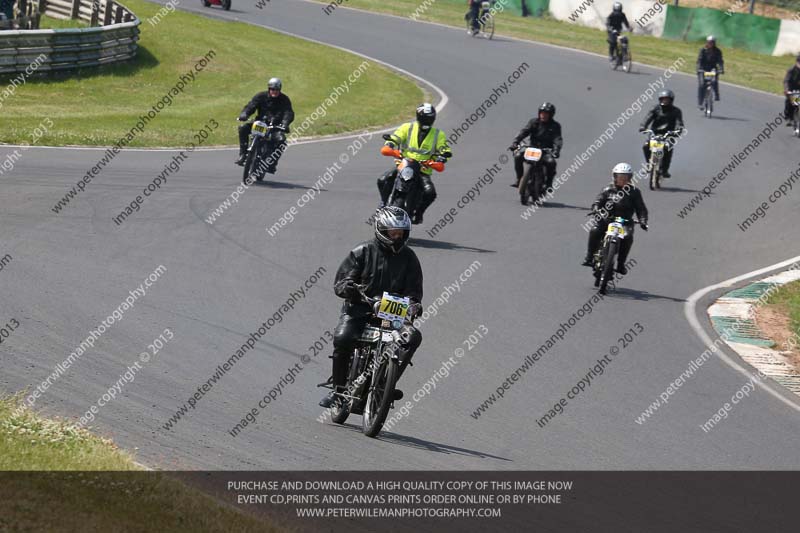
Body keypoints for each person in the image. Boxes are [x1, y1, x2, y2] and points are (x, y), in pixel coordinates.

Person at [319, 206, 424, 408]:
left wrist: (414, 304)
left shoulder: (410, 258)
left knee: (413, 337)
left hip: (394, 313)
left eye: (401, 232)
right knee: (343, 338)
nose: (397, 236)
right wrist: (350, 288)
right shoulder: (362, 251)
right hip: (359, 309)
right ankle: (338, 390)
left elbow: (414, 290)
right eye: (393, 232)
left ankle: (387, 384)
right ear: (381, 231)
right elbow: (341, 283)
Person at [377, 103, 452, 224]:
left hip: (423, 170)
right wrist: (390, 145)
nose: (427, 121)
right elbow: (395, 138)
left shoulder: (439, 135)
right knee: (383, 180)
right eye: (424, 118)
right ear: (418, 117)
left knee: (430, 193)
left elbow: (445, 149)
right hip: (404, 165)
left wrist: (442, 157)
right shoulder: (407, 127)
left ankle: (419, 213)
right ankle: (383, 203)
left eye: (429, 118)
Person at [581, 163, 648, 274]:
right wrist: (596, 209)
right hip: (606, 219)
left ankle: (621, 264)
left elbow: (641, 209)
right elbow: (598, 201)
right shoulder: (607, 189)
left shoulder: (635, 192)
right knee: (594, 230)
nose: (622, 179)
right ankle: (589, 257)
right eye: (620, 177)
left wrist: (643, 221)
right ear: (614, 177)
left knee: (627, 237)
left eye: (625, 177)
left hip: (624, 222)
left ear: (630, 178)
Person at [235, 77, 294, 171]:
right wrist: (244, 114)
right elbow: (251, 106)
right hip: (260, 123)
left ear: (280, 89)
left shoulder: (284, 99)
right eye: (272, 89)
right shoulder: (260, 96)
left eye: (276, 90)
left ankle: (272, 163)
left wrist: (285, 123)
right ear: (269, 89)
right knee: (243, 128)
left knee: (281, 140)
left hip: (275, 127)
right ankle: (243, 155)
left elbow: (288, 112)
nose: (274, 91)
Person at [509, 102, 562, 189]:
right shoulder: (534, 122)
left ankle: (549, 184)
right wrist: (516, 142)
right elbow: (524, 131)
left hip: (545, 151)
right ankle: (519, 179)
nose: (543, 115)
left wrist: (556, 150)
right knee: (518, 156)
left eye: (546, 114)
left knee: (551, 163)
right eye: (542, 113)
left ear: (551, 115)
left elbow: (557, 139)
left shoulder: (555, 126)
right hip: (532, 149)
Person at [638, 89, 683, 179]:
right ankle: (648, 164)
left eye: (667, 99)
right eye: (663, 99)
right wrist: (643, 126)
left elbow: (679, 123)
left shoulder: (676, 111)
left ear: (671, 100)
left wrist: (678, 130)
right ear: (660, 99)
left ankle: (665, 170)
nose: (665, 101)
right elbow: (647, 118)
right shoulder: (655, 109)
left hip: (669, 135)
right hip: (655, 134)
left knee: (667, 148)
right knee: (646, 146)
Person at [696, 36, 724, 108]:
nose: (710, 44)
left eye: (712, 42)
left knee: (714, 81)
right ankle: (700, 103)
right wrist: (699, 68)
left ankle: (716, 95)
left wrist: (721, 69)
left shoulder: (718, 51)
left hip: (712, 69)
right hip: (703, 69)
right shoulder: (703, 50)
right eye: (709, 42)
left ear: (714, 43)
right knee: (702, 85)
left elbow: (720, 61)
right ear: (707, 42)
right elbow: (699, 60)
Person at [783, 54, 800, 123]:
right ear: (797, 62)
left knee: (796, 104)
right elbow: (786, 80)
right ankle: (788, 116)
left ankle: (795, 117)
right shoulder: (791, 70)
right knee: (789, 102)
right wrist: (787, 89)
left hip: (798, 88)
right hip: (791, 88)